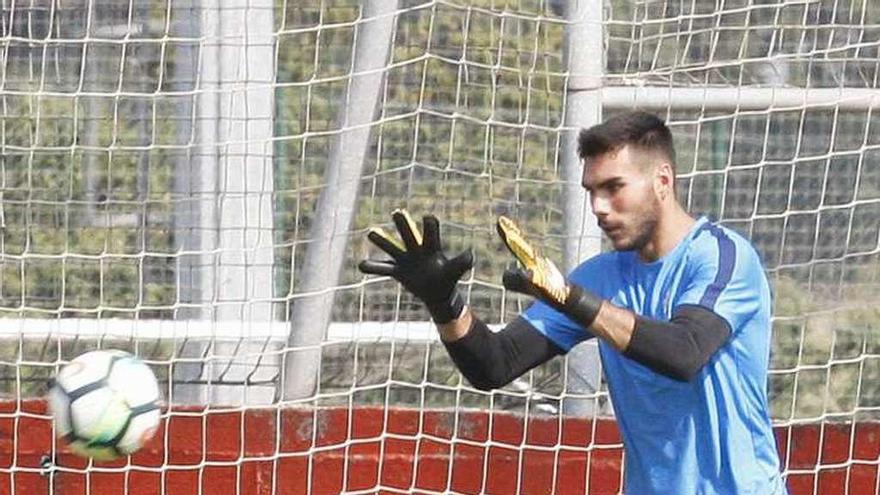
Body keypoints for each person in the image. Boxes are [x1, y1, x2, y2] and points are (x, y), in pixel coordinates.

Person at [359, 111, 786, 494]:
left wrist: (573, 300)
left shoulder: (721, 257)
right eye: (592, 191)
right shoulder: (599, 276)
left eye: (614, 187)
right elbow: (495, 364)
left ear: (662, 180)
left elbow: (684, 352)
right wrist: (444, 303)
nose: (599, 207)